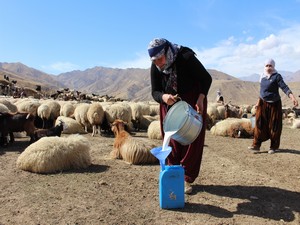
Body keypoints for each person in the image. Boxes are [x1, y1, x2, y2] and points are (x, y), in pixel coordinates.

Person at [148, 38, 212, 194]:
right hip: (169, 104)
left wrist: (201, 98)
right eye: (154, 60)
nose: (158, 63)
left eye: (160, 59)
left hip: (193, 101)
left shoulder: (185, 57)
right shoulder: (156, 65)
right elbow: (155, 91)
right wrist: (163, 98)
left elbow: (206, 78)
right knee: (172, 141)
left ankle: (186, 178)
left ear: (166, 52)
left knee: (191, 140)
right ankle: (172, 172)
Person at [248, 59, 298, 154]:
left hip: (274, 104)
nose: (268, 68)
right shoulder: (262, 77)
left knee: (274, 125)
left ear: (273, 67)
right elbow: (261, 91)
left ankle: (273, 147)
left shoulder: (277, 76)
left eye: (270, 66)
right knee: (259, 123)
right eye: (266, 65)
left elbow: (284, 87)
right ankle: (256, 145)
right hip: (263, 103)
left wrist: (292, 97)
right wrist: (258, 102)